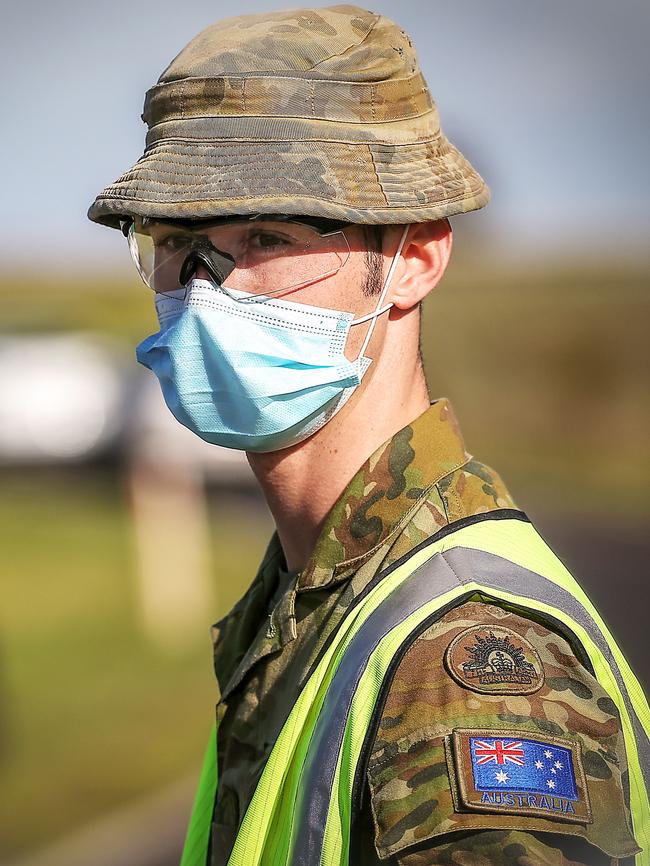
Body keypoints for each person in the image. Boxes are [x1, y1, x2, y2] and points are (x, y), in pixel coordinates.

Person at [88, 6, 649, 865]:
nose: (204, 289)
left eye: (265, 235)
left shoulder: (469, 669)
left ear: (415, 257)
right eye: (175, 243)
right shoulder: (310, 594)